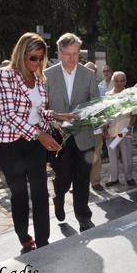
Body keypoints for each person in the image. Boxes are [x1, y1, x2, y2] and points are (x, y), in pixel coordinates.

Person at [0, 32, 77, 253]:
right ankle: (24, 237)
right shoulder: (4, 76)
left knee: (40, 192)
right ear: (21, 54)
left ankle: (44, 242)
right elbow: (8, 114)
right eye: (32, 58)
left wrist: (56, 115)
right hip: (10, 145)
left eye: (40, 58)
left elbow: (37, 111)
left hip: (35, 143)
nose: (37, 63)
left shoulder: (39, 79)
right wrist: (40, 135)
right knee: (19, 194)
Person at [44, 32, 99, 232]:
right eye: (68, 54)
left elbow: (95, 103)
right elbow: (43, 106)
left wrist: (86, 115)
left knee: (82, 179)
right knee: (64, 177)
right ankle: (59, 197)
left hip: (83, 136)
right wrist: (54, 121)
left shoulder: (89, 75)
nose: (72, 58)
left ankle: (84, 217)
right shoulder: (47, 75)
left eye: (75, 53)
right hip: (59, 137)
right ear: (59, 53)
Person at [104, 71, 137, 187]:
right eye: (117, 81)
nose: (119, 83)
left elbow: (135, 113)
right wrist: (104, 129)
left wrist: (129, 127)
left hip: (124, 131)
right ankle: (114, 178)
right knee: (112, 156)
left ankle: (129, 177)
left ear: (125, 81)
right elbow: (104, 114)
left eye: (122, 81)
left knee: (127, 156)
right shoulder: (107, 95)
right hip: (111, 131)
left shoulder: (130, 95)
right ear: (113, 81)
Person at [84, 61, 104, 191]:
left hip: (96, 129)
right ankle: (78, 183)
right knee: (79, 157)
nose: (91, 73)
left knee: (96, 156)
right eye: (88, 71)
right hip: (81, 130)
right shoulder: (77, 88)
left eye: (93, 71)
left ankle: (95, 181)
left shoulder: (101, 89)